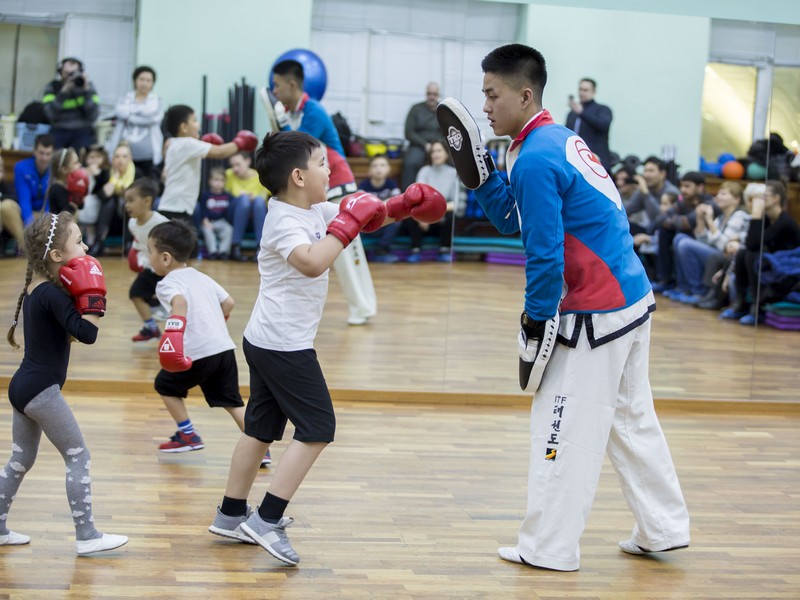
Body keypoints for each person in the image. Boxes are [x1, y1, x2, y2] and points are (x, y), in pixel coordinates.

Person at [449, 43, 689, 571]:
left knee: (560, 425)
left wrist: (536, 321)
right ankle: (663, 528)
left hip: (595, 314)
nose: (485, 105)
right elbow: (516, 219)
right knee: (630, 420)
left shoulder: (534, 156)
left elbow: (544, 252)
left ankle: (548, 548)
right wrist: (483, 177)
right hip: (631, 299)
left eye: (493, 94)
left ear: (524, 93)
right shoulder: (552, 140)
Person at [206, 130, 445, 565]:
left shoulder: (313, 207)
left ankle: (230, 514)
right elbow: (314, 262)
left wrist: (403, 207)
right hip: (284, 345)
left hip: (267, 338)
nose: (330, 169)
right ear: (298, 176)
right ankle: (265, 519)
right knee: (318, 428)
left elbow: (366, 216)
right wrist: (349, 223)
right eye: (321, 164)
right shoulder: (282, 220)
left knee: (260, 427)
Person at [1, 211, 127, 555]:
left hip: (23, 387)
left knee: (20, 459)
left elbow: (67, 333)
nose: (86, 248)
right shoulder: (52, 296)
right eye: (79, 242)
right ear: (56, 256)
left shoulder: (38, 290)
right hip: (41, 391)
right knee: (78, 456)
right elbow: (86, 334)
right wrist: (95, 300)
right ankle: (87, 536)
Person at [148, 220, 270, 466]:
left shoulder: (167, 283)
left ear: (165, 258)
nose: (146, 257)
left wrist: (175, 334)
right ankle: (260, 450)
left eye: (149, 251)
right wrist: (215, 322)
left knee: (164, 385)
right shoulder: (201, 276)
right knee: (232, 401)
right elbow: (229, 303)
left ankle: (187, 434)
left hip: (197, 353)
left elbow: (179, 303)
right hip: (223, 349)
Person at [270, 59, 376, 326]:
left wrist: (278, 128)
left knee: (347, 252)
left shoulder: (313, 111)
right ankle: (363, 306)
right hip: (319, 189)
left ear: (292, 84)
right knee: (339, 250)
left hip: (337, 183)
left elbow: (297, 152)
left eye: (278, 85)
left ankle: (362, 307)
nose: (275, 91)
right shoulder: (294, 112)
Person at [156, 105, 257, 234]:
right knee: (183, 251)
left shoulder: (174, 144)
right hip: (177, 210)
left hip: (173, 208)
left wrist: (204, 142)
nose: (198, 124)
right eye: (195, 120)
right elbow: (220, 152)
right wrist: (240, 142)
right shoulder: (187, 143)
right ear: (184, 127)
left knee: (185, 250)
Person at [721, 180, 800, 325]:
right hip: (774, 266)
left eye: (763, 196)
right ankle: (741, 302)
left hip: (789, 272)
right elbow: (751, 243)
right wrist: (757, 216)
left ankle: (757, 308)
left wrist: (756, 213)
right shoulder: (768, 219)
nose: (759, 200)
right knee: (742, 253)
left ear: (776, 198)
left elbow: (753, 244)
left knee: (751, 255)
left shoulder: (785, 222)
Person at [666, 181, 749, 305]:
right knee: (679, 238)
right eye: (718, 194)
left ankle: (697, 290)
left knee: (684, 244)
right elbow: (702, 241)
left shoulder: (739, 216)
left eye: (723, 194)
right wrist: (700, 220)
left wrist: (709, 221)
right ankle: (684, 287)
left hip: (725, 255)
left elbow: (725, 246)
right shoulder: (721, 216)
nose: (718, 197)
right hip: (714, 251)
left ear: (736, 199)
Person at [125, 178, 169, 342]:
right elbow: (140, 239)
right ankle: (151, 329)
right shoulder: (132, 224)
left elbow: (175, 244)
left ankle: (185, 334)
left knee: (176, 304)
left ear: (147, 201)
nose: (127, 205)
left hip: (167, 270)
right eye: (126, 201)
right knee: (135, 293)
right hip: (150, 268)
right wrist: (135, 252)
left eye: (131, 200)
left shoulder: (161, 223)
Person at [404, 140, 462, 263]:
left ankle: (444, 250)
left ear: (446, 153)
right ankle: (416, 250)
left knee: (451, 216)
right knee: (411, 214)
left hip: (443, 216)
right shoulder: (424, 171)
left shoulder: (453, 173)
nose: (436, 154)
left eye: (439, 151)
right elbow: (418, 197)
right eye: (433, 151)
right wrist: (425, 216)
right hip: (424, 216)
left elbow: (456, 202)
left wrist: (438, 213)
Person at [106, 65, 164, 178]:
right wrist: (142, 114)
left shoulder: (156, 100)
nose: (144, 83)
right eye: (141, 79)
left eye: (148, 80)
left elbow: (153, 118)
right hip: (125, 154)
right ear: (135, 80)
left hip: (148, 155)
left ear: (152, 83)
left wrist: (130, 115)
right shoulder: (125, 98)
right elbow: (119, 112)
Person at [88, 141, 140, 257]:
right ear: (112, 159)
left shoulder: (137, 174)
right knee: (110, 202)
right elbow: (103, 195)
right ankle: (98, 242)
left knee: (129, 203)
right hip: (110, 221)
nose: (120, 160)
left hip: (129, 220)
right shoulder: (107, 174)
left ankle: (128, 244)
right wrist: (114, 179)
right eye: (117, 156)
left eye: (124, 156)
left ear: (130, 158)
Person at [3, 134, 55, 251]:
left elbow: (50, 201)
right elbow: (24, 198)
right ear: (34, 151)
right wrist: (30, 225)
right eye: (41, 153)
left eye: (48, 154)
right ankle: (25, 246)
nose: (44, 158)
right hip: (24, 213)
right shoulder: (21, 167)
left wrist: (45, 221)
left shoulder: (55, 170)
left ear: (52, 154)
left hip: (45, 214)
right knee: (6, 206)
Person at [42, 57, 100, 152]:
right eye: (67, 74)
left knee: (84, 154)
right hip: (59, 129)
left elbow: (93, 116)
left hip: (82, 130)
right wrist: (64, 92)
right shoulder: (52, 87)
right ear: (60, 73)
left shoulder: (88, 87)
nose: (71, 77)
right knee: (52, 155)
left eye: (74, 73)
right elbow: (50, 114)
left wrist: (86, 91)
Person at [225, 151, 268, 262]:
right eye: (232, 165)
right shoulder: (228, 175)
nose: (235, 169)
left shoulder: (260, 177)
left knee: (258, 201)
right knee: (244, 200)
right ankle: (235, 246)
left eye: (238, 164)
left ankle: (261, 248)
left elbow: (264, 200)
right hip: (234, 217)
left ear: (248, 161)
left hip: (256, 218)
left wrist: (253, 199)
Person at [358, 154, 402, 262]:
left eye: (382, 165)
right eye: (375, 166)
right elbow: (360, 206)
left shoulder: (392, 185)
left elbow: (398, 203)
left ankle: (383, 251)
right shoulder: (363, 185)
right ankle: (360, 252)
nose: (378, 168)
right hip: (367, 224)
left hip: (384, 223)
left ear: (388, 169)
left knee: (397, 220)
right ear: (369, 170)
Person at [402, 82, 444, 190]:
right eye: (429, 94)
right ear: (426, 94)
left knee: (452, 164)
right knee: (411, 163)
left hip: (440, 144)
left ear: (438, 95)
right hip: (419, 145)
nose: (432, 97)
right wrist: (425, 144)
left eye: (434, 94)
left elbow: (448, 131)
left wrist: (439, 145)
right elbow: (408, 132)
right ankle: (406, 194)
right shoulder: (416, 109)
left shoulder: (443, 110)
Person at [565, 78, 613, 170]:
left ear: (593, 92)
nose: (582, 93)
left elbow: (603, 125)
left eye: (585, 90)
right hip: (575, 161)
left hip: (596, 161)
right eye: (580, 89)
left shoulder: (602, 110)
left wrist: (582, 113)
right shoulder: (572, 113)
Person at [76, 144, 111, 248]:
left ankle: (93, 241)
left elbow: (103, 188)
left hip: (97, 201)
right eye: (91, 157)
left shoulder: (105, 172)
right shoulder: (81, 171)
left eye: (98, 157)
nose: (95, 160)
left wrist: (97, 174)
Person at [199, 167, 235, 260]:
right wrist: (205, 221)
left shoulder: (228, 196)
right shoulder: (206, 195)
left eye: (222, 180)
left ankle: (223, 252)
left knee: (229, 229)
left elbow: (230, 211)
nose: (218, 183)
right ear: (210, 181)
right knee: (207, 230)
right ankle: (213, 252)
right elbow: (203, 210)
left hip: (222, 221)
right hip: (209, 221)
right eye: (216, 180)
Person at [46, 148, 90, 217]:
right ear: (64, 169)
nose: (79, 165)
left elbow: (81, 206)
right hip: (59, 227)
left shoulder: (70, 186)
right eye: (76, 163)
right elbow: (67, 214)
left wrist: (82, 192)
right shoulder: (56, 189)